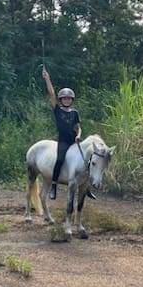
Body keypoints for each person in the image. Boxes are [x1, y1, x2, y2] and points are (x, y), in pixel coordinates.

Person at [42, 66, 96, 201]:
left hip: (74, 141)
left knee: (88, 160)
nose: (67, 100)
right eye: (64, 98)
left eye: (69, 98)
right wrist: (47, 78)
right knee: (60, 159)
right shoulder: (57, 110)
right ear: (61, 100)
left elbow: (78, 127)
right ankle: (54, 185)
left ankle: (86, 186)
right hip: (63, 141)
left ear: (72, 100)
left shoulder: (75, 113)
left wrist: (78, 135)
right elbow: (52, 94)